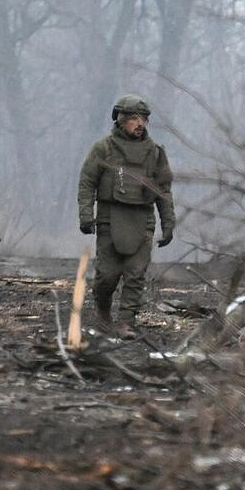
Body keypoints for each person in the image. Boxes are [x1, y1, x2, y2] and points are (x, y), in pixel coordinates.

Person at [76, 94, 176, 332]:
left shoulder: (155, 153)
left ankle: (126, 322)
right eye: (133, 118)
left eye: (143, 119)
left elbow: (164, 191)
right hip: (110, 218)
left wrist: (168, 223)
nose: (139, 123)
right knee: (107, 276)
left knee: (135, 274)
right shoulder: (103, 149)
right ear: (120, 120)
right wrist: (86, 215)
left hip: (142, 220)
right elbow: (87, 182)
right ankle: (102, 309)